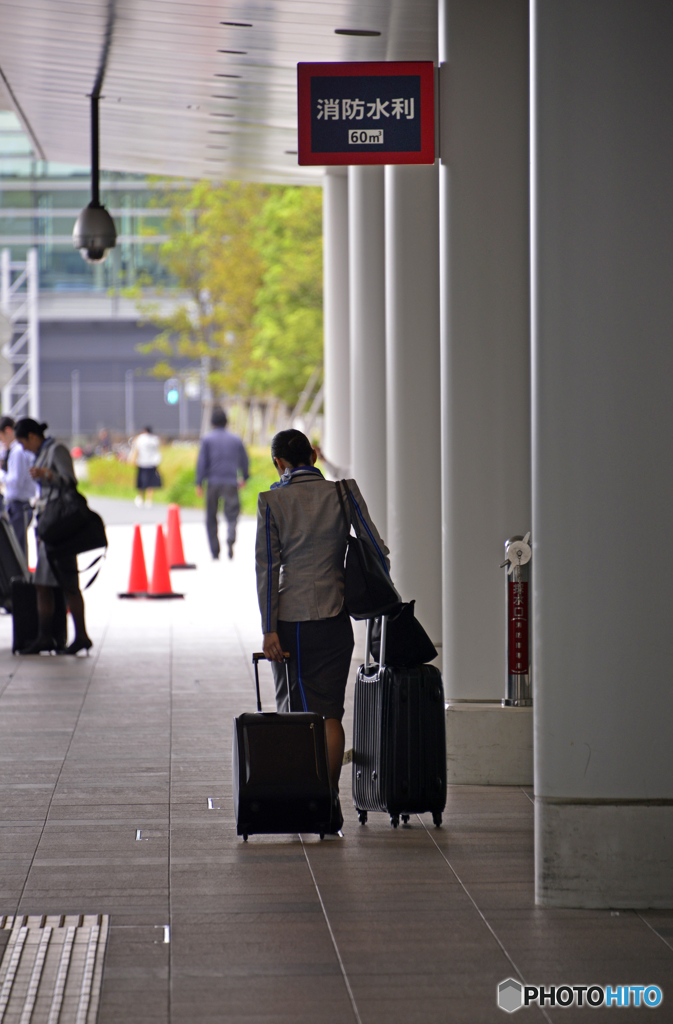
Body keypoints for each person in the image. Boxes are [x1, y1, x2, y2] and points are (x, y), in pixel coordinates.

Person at [255, 428, 390, 832]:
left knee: (299, 715)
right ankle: (328, 804)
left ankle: (306, 802)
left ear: (279, 462)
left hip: (292, 622)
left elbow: (267, 569)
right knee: (330, 713)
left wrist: (268, 629)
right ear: (313, 456)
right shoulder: (342, 492)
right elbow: (376, 549)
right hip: (336, 617)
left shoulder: (272, 501)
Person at [14, 418, 92, 655]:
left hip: (59, 527)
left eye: (24, 442)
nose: (24, 448)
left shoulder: (56, 450)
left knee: (66, 584)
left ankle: (74, 635)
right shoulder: (42, 452)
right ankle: (49, 636)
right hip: (47, 525)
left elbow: (70, 482)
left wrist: (48, 475)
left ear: (33, 437)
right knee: (44, 584)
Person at [196, 406, 249, 560]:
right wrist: (244, 477)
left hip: (212, 482)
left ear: (212, 422)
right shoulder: (236, 439)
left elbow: (202, 462)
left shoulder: (207, 439)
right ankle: (231, 537)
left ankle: (215, 551)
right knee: (232, 513)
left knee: (211, 516)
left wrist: (199, 482)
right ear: (226, 422)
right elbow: (244, 460)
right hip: (231, 482)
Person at [0, 415, 37, 558]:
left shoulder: (17, 452)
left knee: (18, 550)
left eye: (1, 437)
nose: (2, 442)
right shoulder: (14, 451)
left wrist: (1, 475)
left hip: (19, 505)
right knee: (17, 547)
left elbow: (16, 481)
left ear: (8, 431)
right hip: (19, 505)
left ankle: (22, 579)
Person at [129, 426, 162, 507]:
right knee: (150, 483)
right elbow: (157, 451)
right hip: (152, 463)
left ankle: (140, 498)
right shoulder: (155, 439)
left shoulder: (140, 439)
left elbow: (136, 450)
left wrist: (132, 459)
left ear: (144, 431)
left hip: (142, 463)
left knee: (141, 482)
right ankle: (149, 500)